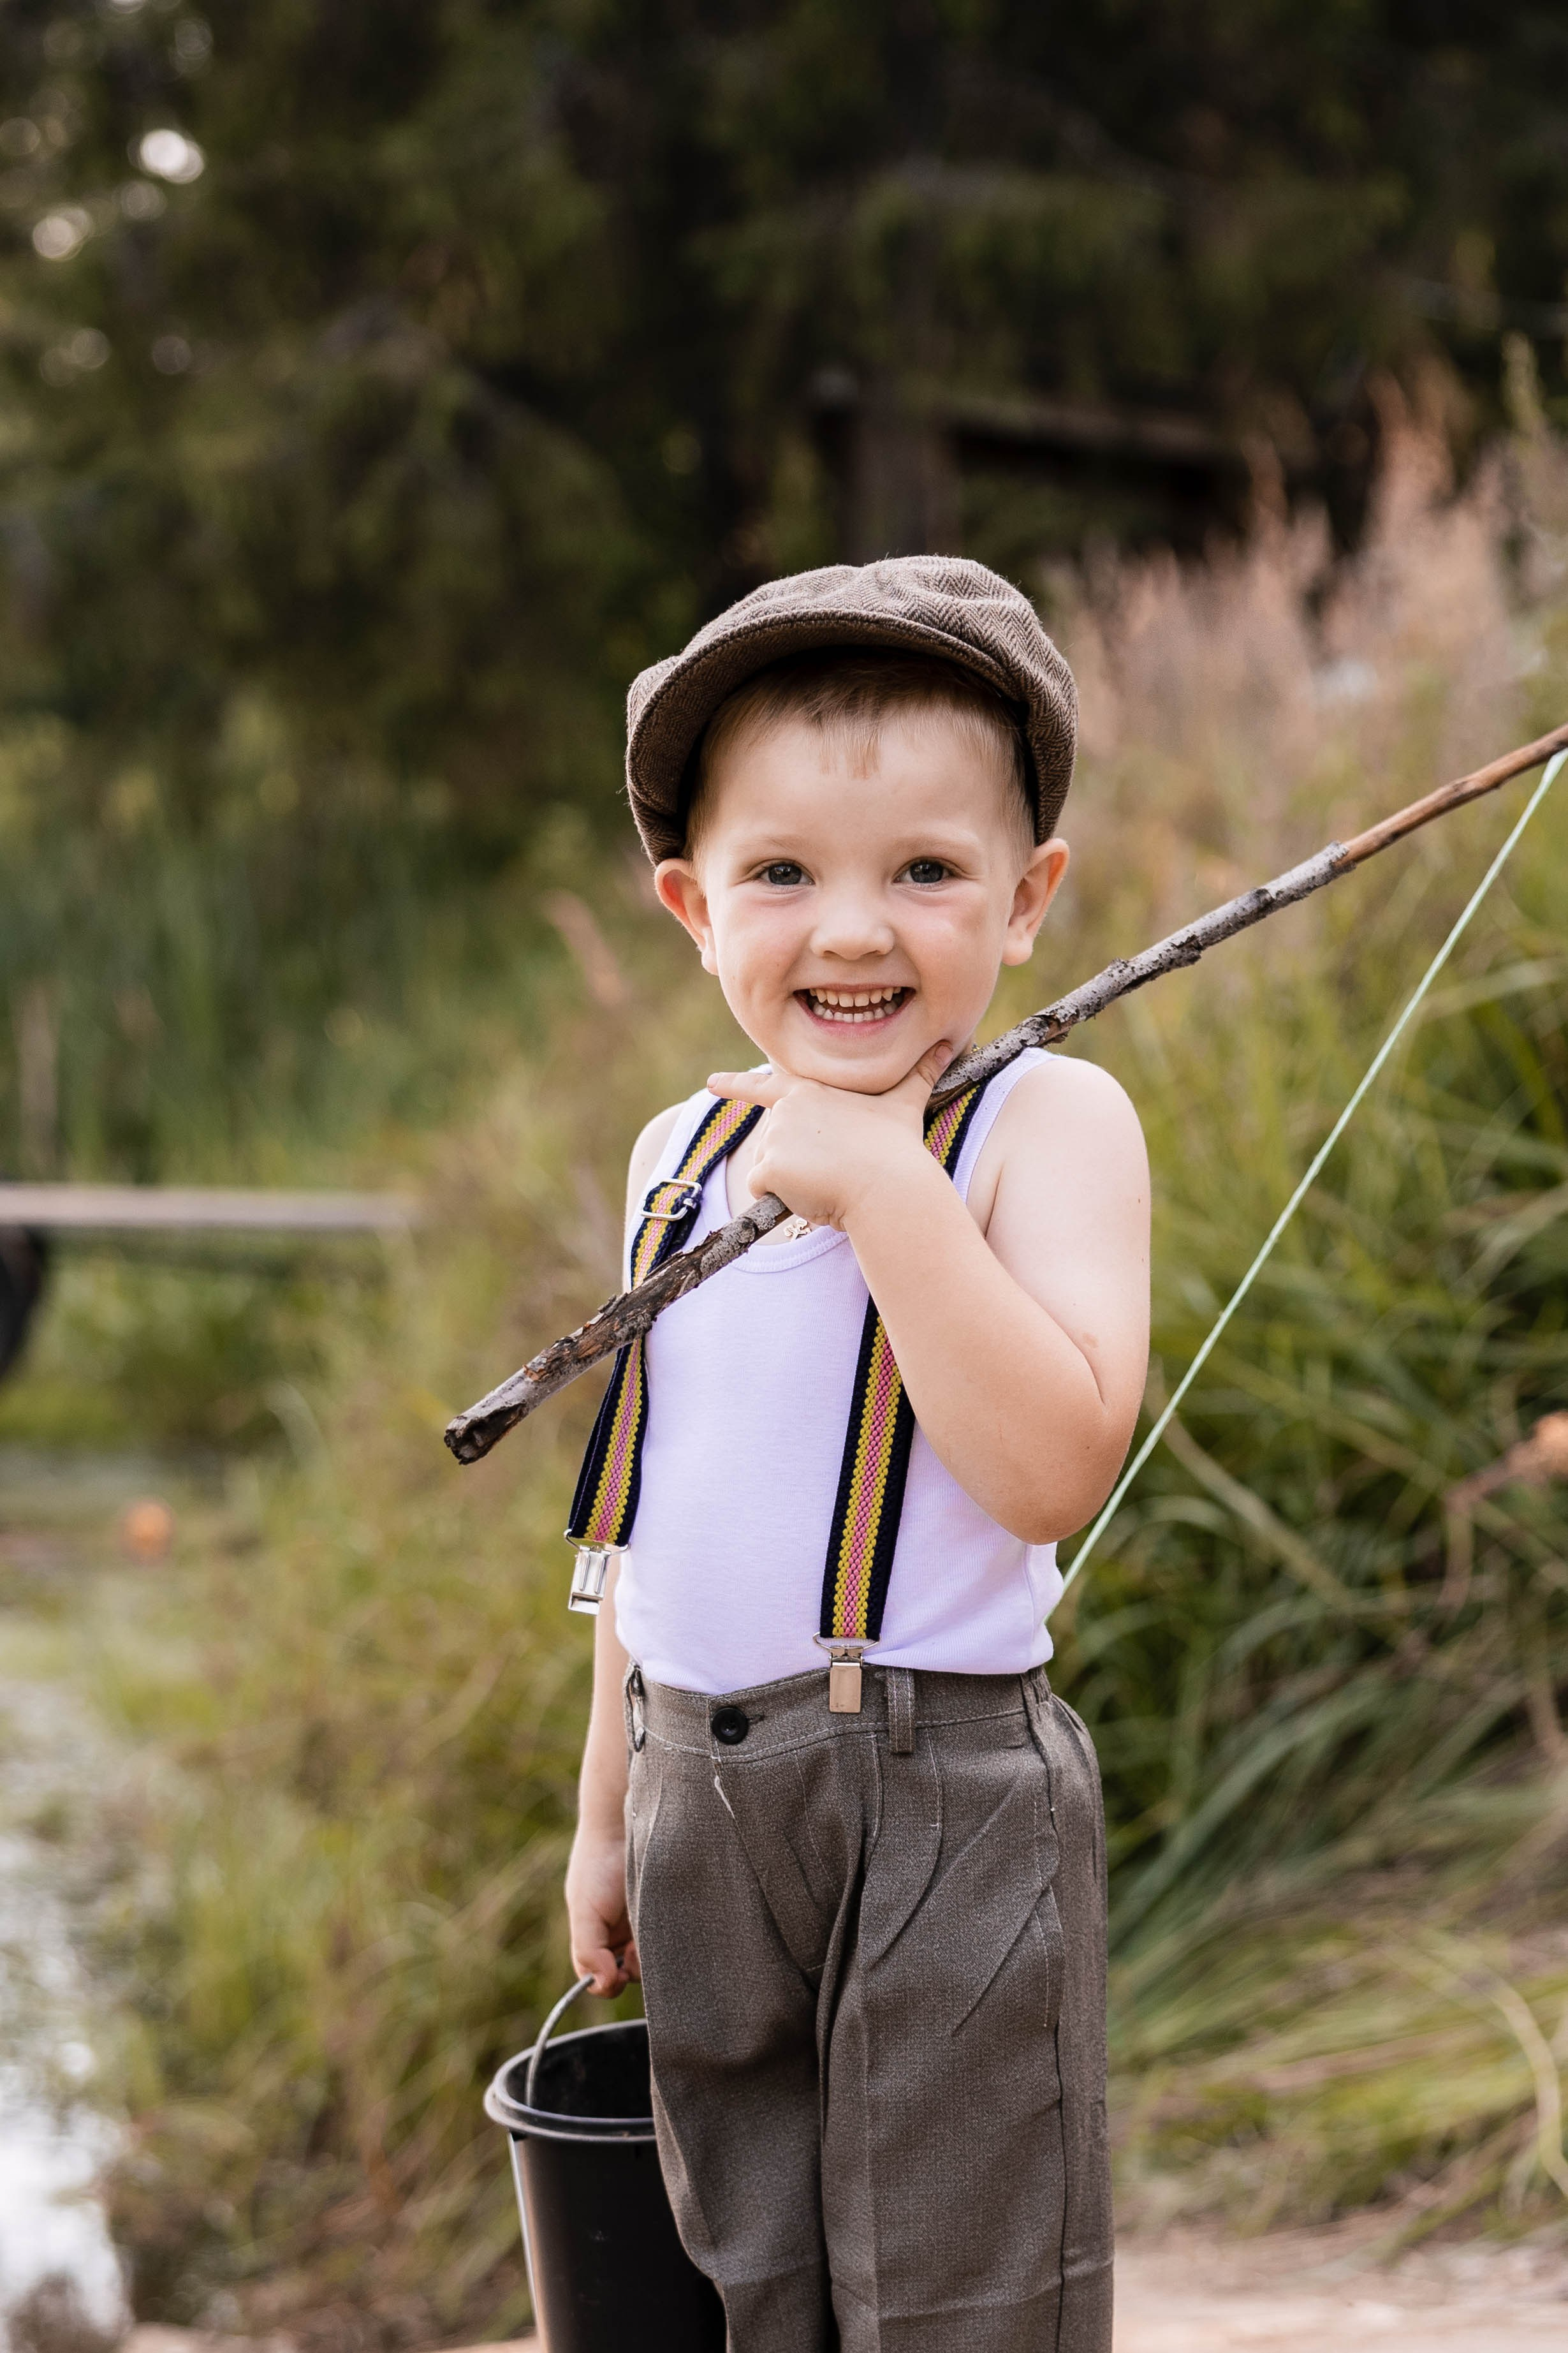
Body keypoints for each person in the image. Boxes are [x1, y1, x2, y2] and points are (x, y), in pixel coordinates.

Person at [562, 556, 1150, 2353]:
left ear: (1028, 896)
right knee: (749, 2262)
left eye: (924, 871)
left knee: (957, 2273)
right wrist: (603, 1811)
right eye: (781, 874)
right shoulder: (680, 1144)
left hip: (939, 1787)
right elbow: (640, 1516)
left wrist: (891, 1184)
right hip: (696, 1787)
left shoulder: (1042, 1120)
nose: (850, 932)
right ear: (689, 902)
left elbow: (1049, 1466)